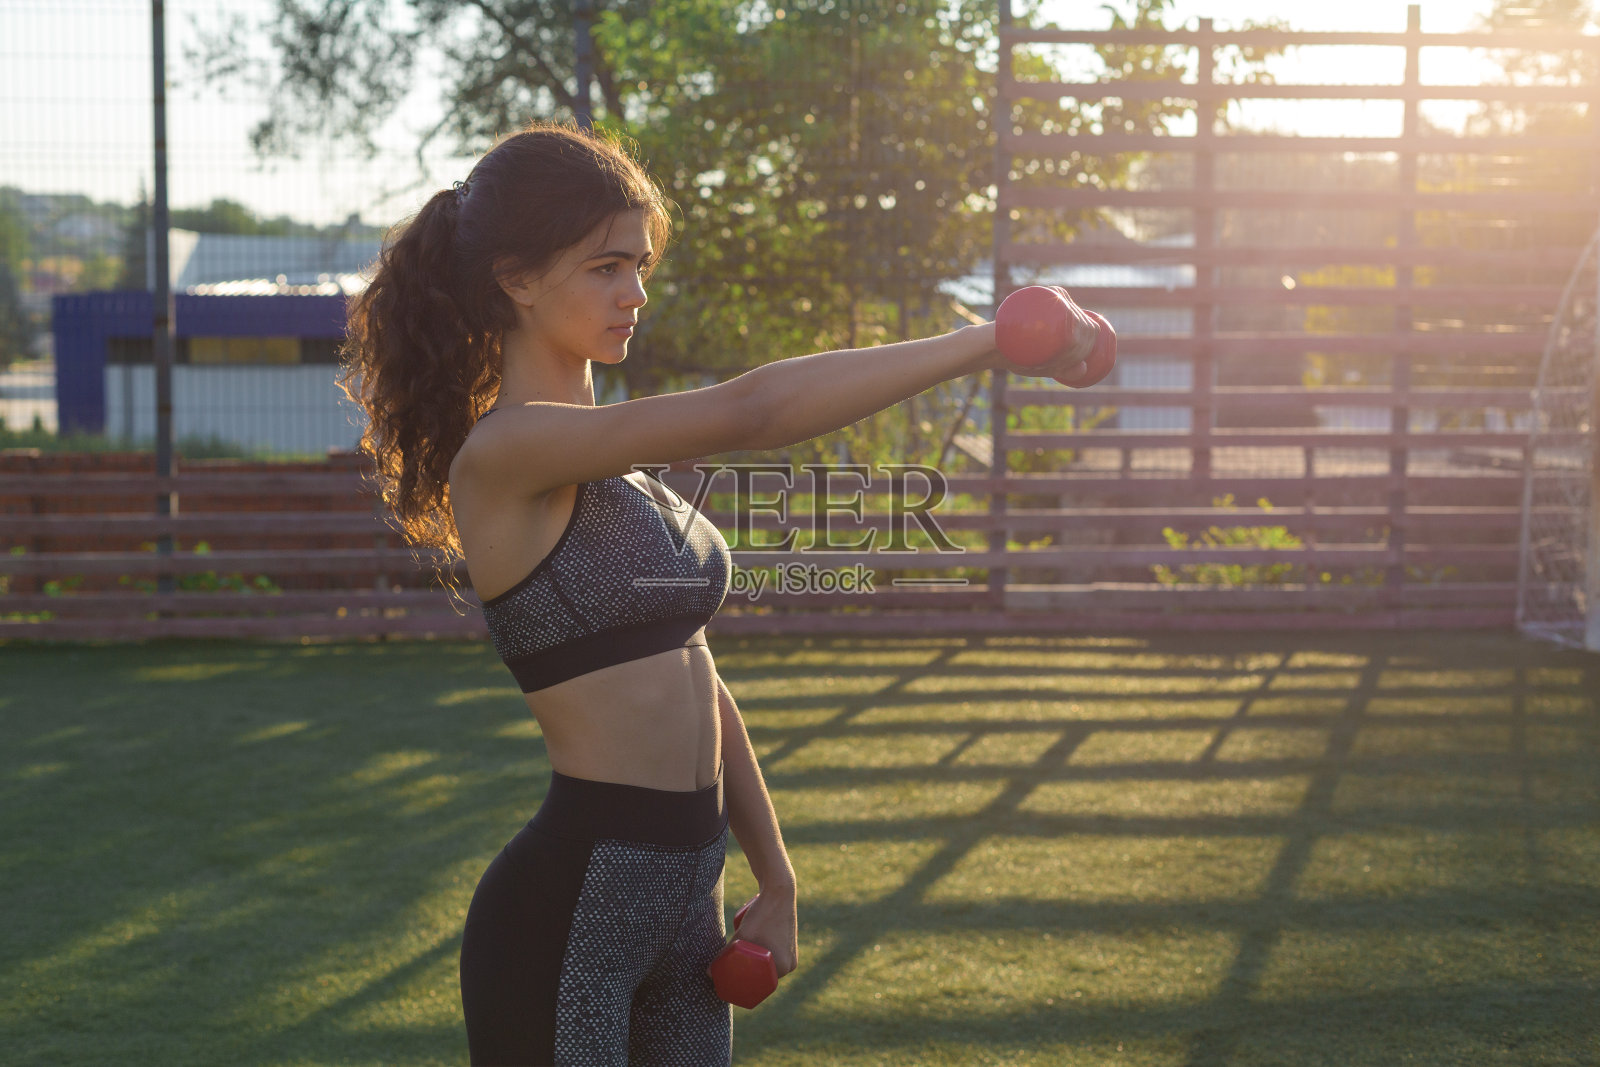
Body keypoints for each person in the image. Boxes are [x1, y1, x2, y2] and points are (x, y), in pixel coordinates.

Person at [337, 119, 1093, 1066]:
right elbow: (753, 410)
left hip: (690, 901)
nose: (635, 293)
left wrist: (775, 873)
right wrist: (988, 343)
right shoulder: (505, 452)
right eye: (606, 268)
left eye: (640, 265)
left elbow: (695, 676)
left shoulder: (621, 469)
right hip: (570, 915)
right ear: (516, 279)